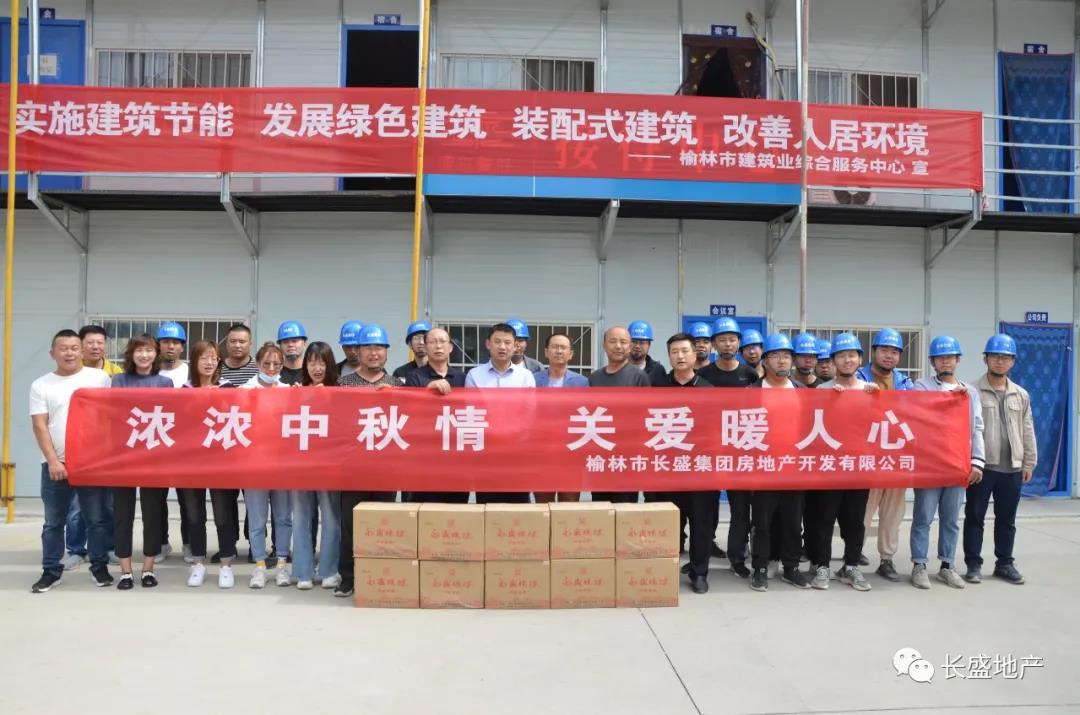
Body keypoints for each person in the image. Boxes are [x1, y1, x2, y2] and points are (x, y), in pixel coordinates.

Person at [30, 330, 114, 593]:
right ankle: (51, 570)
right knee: (53, 523)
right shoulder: (41, 385)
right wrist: (53, 461)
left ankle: (99, 566)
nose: (69, 353)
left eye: (74, 348)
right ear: (52, 353)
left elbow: (109, 417)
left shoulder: (99, 379)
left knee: (96, 520)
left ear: (82, 351)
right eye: (63, 348)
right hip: (56, 465)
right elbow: (40, 425)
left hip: (90, 463)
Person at [910, 335, 985, 590]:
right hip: (929, 465)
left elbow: (976, 427)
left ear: (958, 360)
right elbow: (921, 414)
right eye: (940, 358)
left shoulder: (970, 392)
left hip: (956, 464)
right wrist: (952, 398)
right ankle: (919, 565)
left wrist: (977, 461)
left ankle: (947, 565)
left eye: (950, 357)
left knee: (951, 518)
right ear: (932, 362)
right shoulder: (921, 386)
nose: (945, 362)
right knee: (923, 516)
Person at [963, 333, 1037, 586]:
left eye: (1005, 357)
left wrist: (1028, 463)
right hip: (982, 468)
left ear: (1013, 361)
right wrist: (969, 462)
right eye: (995, 356)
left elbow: (1027, 429)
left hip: (1012, 468)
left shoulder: (1020, 394)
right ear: (985, 359)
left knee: (1007, 520)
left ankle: (1004, 563)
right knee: (975, 517)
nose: (1000, 361)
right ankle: (973, 564)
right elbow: (965, 429)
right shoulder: (971, 391)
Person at [807, 333, 878, 592]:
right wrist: (828, 400)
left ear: (860, 359)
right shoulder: (822, 390)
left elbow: (881, 426)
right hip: (830, 467)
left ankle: (851, 566)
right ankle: (822, 566)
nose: (847, 360)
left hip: (859, 466)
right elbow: (812, 427)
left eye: (852, 355)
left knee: (855, 521)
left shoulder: (871, 391)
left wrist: (877, 400)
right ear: (833, 361)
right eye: (841, 356)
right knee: (824, 519)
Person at [334, 324, 400, 598]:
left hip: (386, 469)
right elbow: (337, 424)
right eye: (368, 348)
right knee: (350, 525)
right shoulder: (343, 385)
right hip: (353, 467)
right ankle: (348, 577)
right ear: (358, 352)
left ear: (387, 352)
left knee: (383, 524)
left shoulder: (397, 385)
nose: (374, 353)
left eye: (379, 348)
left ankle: (380, 575)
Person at [651, 333, 714, 593]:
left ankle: (699, 573)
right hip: (666, 469)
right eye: (674, 352)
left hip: (699, 469)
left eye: (685, 351)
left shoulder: (709, 390)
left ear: (695, 354)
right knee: (667, 523)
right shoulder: (656, 387)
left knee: (701, 524)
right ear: (669, 356)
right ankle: (663, 569)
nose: (680, 356)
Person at [110, 334, 174, 590]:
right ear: (131, 354)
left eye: (149, 350)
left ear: (156, 354)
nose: (144, 355)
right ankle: (125, 571)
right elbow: (116, 414)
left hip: (154, 459)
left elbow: (170, 417)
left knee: (153, 514)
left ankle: (148, 569)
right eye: (139, 350)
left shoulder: (165, 382)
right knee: (122, 515)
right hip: (123, 458)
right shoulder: (119, 380)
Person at [749, 333, 810, 592]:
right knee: (762, 522)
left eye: (787, 356)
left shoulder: (802, 391)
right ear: (765, 360)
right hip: (763, 468)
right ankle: (760, 568)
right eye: (775, 356)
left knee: (793, 522)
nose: (782, 361)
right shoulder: (752, 392)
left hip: (793, 468)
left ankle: (791, 567)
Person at [697, 317, 759, 573]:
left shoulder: (749, 374)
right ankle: (700, 555)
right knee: (705, 508)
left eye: (732, 339)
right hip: (710, 450)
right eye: (722, 340)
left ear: (738, 343)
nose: (727, 344)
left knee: (740, 508)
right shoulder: (703, 375)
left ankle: (737, 557)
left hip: (740, 450)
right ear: (714, 344)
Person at [179, 340, 240, 588]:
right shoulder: (183, 391)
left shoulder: (228, 388)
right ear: (194, 361)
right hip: (191, 462)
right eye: (203, 357)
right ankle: (198, 563)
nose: (209, 362)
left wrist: (219, 398)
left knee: (223, 515)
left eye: (213, 358)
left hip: (220, 462)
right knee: (194, 515)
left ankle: (226, 565)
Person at [63, 325, 122, 571]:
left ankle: (108, 547)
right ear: (81, 346)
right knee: (76, 505)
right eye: (90, 342)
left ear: (105, 345)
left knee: (108, 503)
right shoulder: (70, 373)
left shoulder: (116, 374)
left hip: (107, 449)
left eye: (99, 342)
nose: (95, 347)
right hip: (79, 447)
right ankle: (76, 549)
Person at [857, 328, 914, 581]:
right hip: (867, 458)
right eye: (884, 350)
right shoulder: (858, 378)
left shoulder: (906, 383)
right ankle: (852, 557)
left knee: (892, 514)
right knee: (861, 513)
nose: (889, 356)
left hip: (895, 458)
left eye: (894, 352)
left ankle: (887, 559)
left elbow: (917, 414)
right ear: (874, 352)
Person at [240, 342, 294, 589]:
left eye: (276, 364)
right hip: (254, 465)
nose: (271, 369)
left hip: (282, 464)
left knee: (283, 517)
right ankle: (260, 565)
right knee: (257, 519)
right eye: (266, 364)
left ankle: (282, 564)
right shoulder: (245, 390)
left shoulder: (288, 391)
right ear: (257, 364)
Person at [291, 341, 343, 590]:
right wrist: (293, 397)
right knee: (301, 517)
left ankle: (329, 569)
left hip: (329, 466)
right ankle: (303, 571)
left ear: (329, 365)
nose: (317, 368)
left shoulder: (340, 391)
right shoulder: (296, 391)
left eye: (321, 362)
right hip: (300, 466)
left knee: (331, 517)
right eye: (311, 363)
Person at [466, 323, 537, 504]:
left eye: (507, 342)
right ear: (488, 344)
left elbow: (529, 415)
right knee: (487, 506)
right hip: (486, 454)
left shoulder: (526, 376)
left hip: (517, 452)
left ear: (515, 346)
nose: (502, 347)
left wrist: (513, 438)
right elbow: (472, 413)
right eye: (497, 342)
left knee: (518, 506)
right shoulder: (474, 375)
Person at [404, 327, 470, 504]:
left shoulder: (463, 378)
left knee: (456, 509)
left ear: (450, 347)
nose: (438, 346)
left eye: (442, 342)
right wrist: (427, 391)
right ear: (425, 347)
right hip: (424, 457)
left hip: (456, 457)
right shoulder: (414, 377)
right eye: (433, 342)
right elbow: (408, 413)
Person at [588, 326, 649, 504]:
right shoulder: (594, 378)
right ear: (604, 346)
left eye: (623, 342)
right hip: (600, 455)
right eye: (613, 341)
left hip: (627, 457)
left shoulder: (639, 377)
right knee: (601, 508)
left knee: (625, 509)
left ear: (629, 346)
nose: (618, 346)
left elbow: (646, 416)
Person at [533, 332, 589, 504]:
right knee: (543, 503)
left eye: (563, 347)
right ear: (546, 352)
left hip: (570, 453)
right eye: (554, 347)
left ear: (570, 354)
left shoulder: (582, 382)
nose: (558, 351)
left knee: (569, 503)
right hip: (541, 453)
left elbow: (585, 415)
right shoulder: (533, 380)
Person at [154, 321, 189, 564]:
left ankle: (189, 543)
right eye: (166, 342)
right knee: (156, 499)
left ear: (182, 347)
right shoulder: (150, 371)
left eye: (175, 342)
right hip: (157, 442)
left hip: (186, 444)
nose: (170, 346)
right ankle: (161, 543)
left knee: (188, 499)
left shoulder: (189, 372)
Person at [627, 320, 667, 385]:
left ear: (649, 345)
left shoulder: (657, 370)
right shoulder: (618, 367)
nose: (637, 346)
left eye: (642, 343)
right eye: (634, 341)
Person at [277, 320, 308, 385]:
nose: (290, 345)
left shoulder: (312, 373)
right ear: (280, 346)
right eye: (285, 342)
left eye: (294, 341)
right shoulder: (273, 372)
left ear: (304, 343)